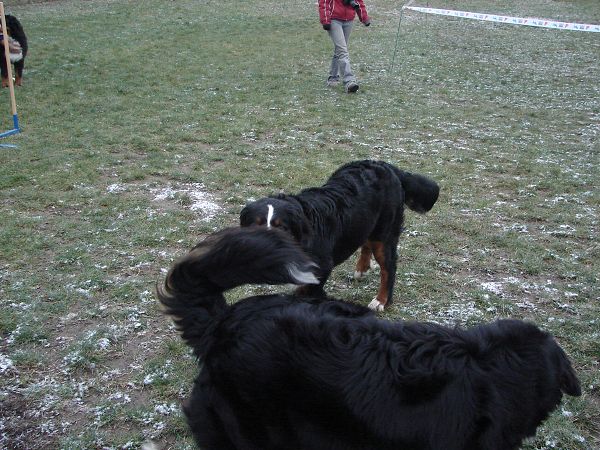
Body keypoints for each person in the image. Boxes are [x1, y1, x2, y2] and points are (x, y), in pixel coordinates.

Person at [318, 0, 370, 93]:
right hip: (334, 19)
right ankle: (349, 81)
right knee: (342, 51)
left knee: (340, 49)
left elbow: (359, 2)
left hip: (349, 20)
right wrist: (325, 19)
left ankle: (333, 78)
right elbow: (323, 2)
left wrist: (364, 17)